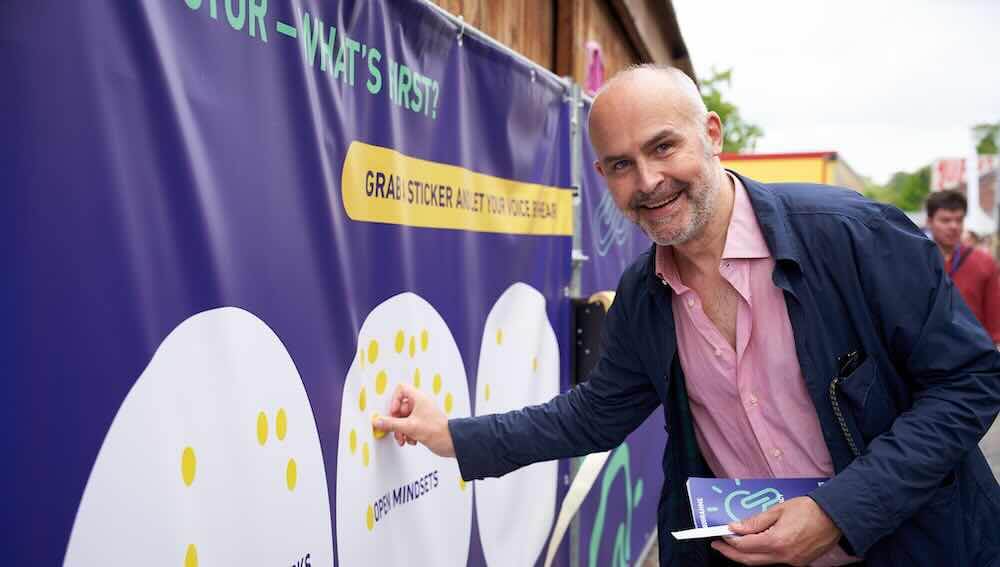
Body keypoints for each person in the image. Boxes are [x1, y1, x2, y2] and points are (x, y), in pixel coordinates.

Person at [373, 65, 1000, 566]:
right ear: (602, 176)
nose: (648, 181)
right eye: (621, 165)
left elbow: (968, 381)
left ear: (713, 134)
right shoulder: (645, 296)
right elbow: (591, 416)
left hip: (916, 544)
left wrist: (840, 512)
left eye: (663, 146)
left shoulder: (852, 235)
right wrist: (451, 435)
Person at [925, 190, 1000, 345]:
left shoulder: (984, 263)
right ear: (929, 221)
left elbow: (995, 317)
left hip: (974, 354)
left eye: (959, 220)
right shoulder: (916, 262)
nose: (954, 226)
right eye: (945, 220)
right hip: (929, 354)